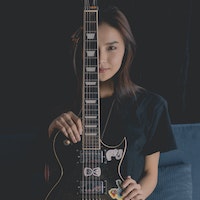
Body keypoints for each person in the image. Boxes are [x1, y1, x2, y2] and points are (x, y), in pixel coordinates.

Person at [46, 6, 177, 200]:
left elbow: (151, 173)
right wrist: (51, 131)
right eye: (92, 49)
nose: (101, 59)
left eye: (112, 47)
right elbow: (47, 174)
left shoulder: (152, 106)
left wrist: (138, 192)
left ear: (126, 48)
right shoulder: (62, 107)